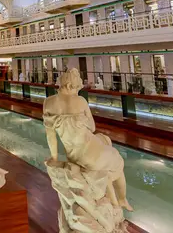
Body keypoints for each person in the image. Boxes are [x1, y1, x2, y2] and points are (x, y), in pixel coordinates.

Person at [43, 69, 133, 212]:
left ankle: (113, 200)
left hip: (74, 156)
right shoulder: (80, 101)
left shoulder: (48, 103)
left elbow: (50, 136)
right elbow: (92, 127)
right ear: (72, 86)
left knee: (104, 143)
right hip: (91, 153)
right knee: (118, 162)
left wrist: (54, 158)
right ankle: (121, 200)